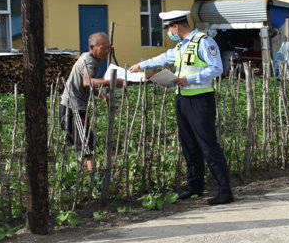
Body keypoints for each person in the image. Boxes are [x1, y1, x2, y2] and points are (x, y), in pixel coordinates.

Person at [129, 10, 233, 205]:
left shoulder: (204, 42)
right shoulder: (181, 45)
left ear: (176, 26)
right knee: (189, 146)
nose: (168, 31)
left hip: (201, 100)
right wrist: (141, 65)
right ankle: (195, 187)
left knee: (208, 146)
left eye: (169, 28)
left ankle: (224, 190)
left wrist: (189, 79)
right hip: (183, 99)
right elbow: (164, 58)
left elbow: (216, 68)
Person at [60, 32, 124, 171]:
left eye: (109, 48)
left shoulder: (87, 57)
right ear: (92, 47)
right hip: (73, 108)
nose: (107, 51)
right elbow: (87, 82)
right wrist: (110, 82)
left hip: (74, 106)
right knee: (86, 142)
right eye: (103, 48)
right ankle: (93, 176)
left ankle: (79, 173)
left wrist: (102, 96)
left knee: (84, 141)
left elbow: (89, 84)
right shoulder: (90, 60)